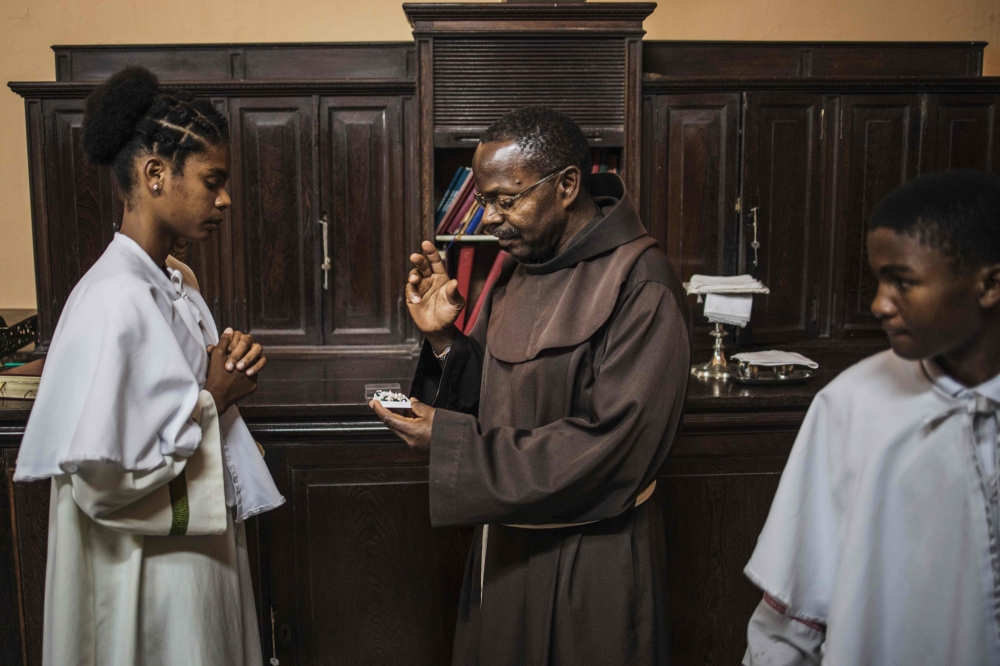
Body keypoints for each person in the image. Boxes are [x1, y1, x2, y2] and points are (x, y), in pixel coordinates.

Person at [371, 106, 690, 665]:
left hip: (592, 557)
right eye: (482, 199)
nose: (487, 219)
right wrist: (446, 342)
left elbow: (614, 446)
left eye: (505, 199)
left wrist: (448, 441)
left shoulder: (642, 282)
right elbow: (498, 398)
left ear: (567, 185)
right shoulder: (521, 268)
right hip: (507, 549)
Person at [13, 67, 285, 666]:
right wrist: (216, 394)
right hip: (148, 570)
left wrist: (220, 374)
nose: (225, 200)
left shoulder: (173, 280)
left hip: (193, 545)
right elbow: (103, 482)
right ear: (155, 173)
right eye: (212, 181)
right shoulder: (115, 298)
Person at [742, 170, 1000, 665]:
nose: (879, 304)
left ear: (989, 285)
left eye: (903, 282)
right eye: (879, 280)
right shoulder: (852, 406)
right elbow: (791, 620)